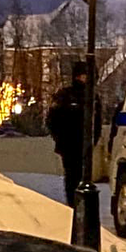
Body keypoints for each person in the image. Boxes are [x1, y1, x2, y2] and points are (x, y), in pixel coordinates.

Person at [46, 65, 92, 210]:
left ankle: (80, 201)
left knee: (83, 174)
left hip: (83, 143)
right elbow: (52, 119)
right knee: (72, 174)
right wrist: (60, 139)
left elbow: (96, 120)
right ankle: (73, 202)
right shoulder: (65, 95)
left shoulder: (91, 96)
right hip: (69, 143)